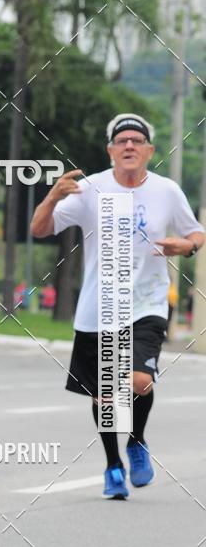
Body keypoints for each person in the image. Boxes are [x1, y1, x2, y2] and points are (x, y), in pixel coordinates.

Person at [30, 112, 204, 499]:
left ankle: (137, 441)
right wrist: (53, 196)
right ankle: (113, 464)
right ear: (111, 150)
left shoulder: (167, 191)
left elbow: (196, 232)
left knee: (139, 382)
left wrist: (187, 246)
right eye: (121, 141)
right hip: (99, 308)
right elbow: (40, 229)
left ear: (149, 151)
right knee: (106, 397)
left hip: (147, 302)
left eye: (136, 141)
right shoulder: (90, 188)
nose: (129, 146)